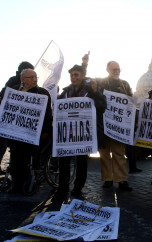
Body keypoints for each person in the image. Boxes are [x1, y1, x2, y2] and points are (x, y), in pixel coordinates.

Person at [55, 65, 106, 198]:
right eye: (72, 75)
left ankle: (77, 189)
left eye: (76, 75)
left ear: (82, 76)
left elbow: (102, 107)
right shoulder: (65, 92)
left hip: (84, 133)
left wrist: (95, 93)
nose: (74, 77)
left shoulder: (91, 91)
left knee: (82, 162)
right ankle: (62, 188)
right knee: (64, 162)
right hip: (67, 133)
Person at [7, 69, 52, 193]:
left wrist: (46, 131)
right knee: (16, 158)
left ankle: (29, 180)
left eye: (35, 77)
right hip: (16, 133)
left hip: (34, 132)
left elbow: (48, 114)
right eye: (31, 77)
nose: (35, 79)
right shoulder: (14, 91)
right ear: (23, 79)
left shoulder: (43, 93)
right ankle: (16, 183)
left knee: (30, 157)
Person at [96, 61, 133, 191]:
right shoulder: (100, 83)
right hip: (103, 124)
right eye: (114, 69)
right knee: (104, 153)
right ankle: (107, 179)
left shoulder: (125, 84)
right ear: (107, 70)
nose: (116, 71)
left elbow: (130, 102)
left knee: (119, 153)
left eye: (118, 69)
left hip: (119, 125)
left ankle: (122, 180)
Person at [0, 62, 34, 176]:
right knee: (4, 144)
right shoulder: (14, 82)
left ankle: (12, 166)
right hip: (9, 119)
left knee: (9, 145)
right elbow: (3, 94)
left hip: (16, 119)